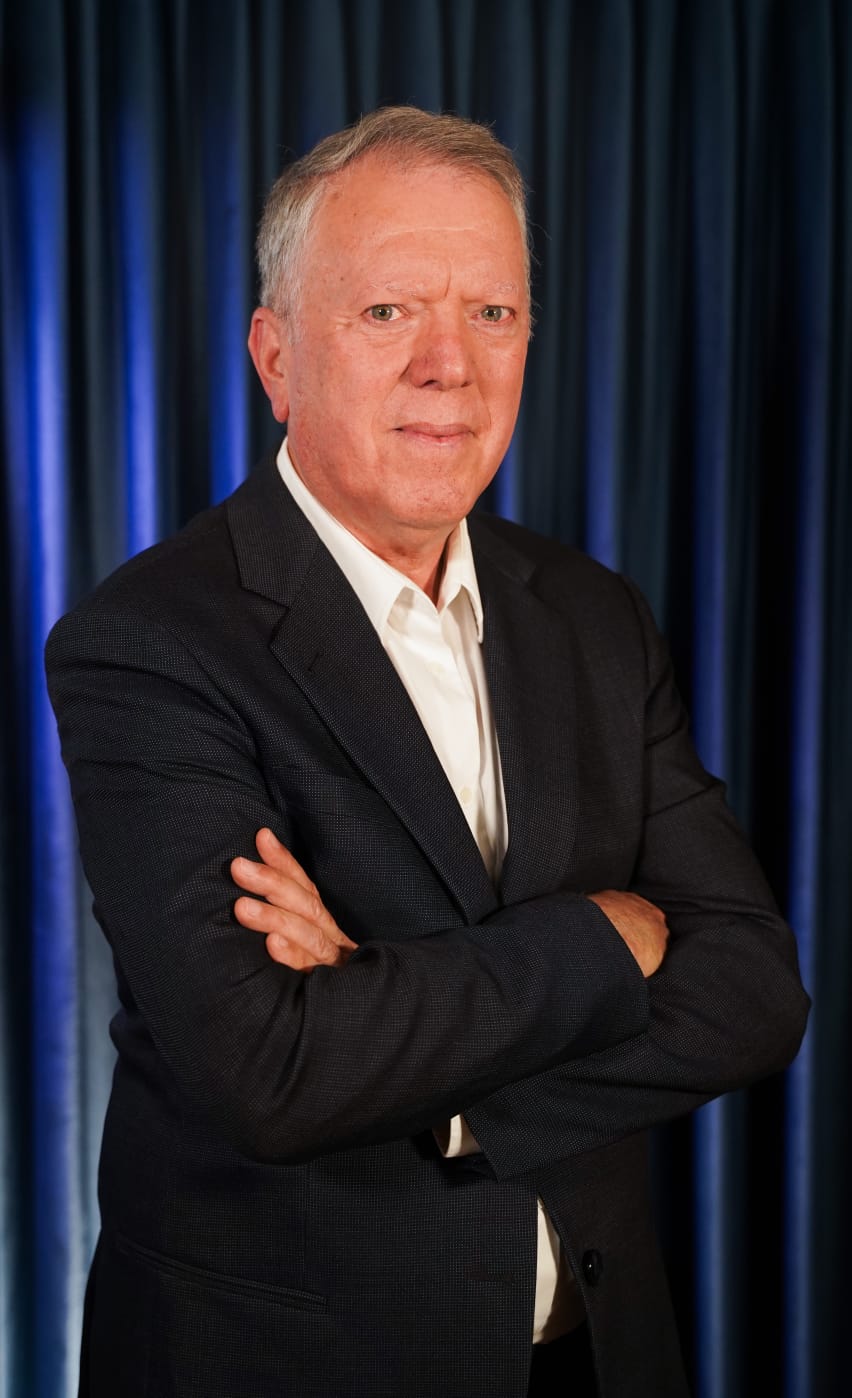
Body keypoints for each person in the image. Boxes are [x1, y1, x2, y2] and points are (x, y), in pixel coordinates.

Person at [46, 107, 809, 1398]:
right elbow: (275, 1070)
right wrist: (607, 935)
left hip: (600, 1358)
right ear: (276, 358)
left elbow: (752, 993)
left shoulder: (595, 615)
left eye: (492, 313)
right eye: (388, 311)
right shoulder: (150, 643)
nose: (450, 365)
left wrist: (380, 999)